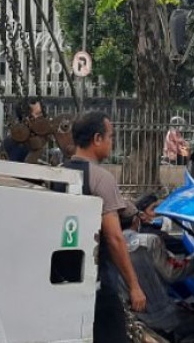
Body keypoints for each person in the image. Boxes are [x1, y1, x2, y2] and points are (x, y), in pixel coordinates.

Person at [70, 111, 147, 342]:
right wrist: (134, 286)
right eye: (111, 137)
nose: (112, 143)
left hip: (66, 276)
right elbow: (114, 239)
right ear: (97, 139)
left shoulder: (60, 172)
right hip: (98, 282)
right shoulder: (102, 179)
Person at [118, 203, 194, 341]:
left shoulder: (110, 246)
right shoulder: (150, 241)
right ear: (136, 220)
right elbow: (172, 273)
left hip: (130, 317)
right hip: (160, 315)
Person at [1, 96, 43, 162]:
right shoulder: (13, 143)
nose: (41, 117)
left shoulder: (40, 136)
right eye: (38, 114)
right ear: (26, 118)